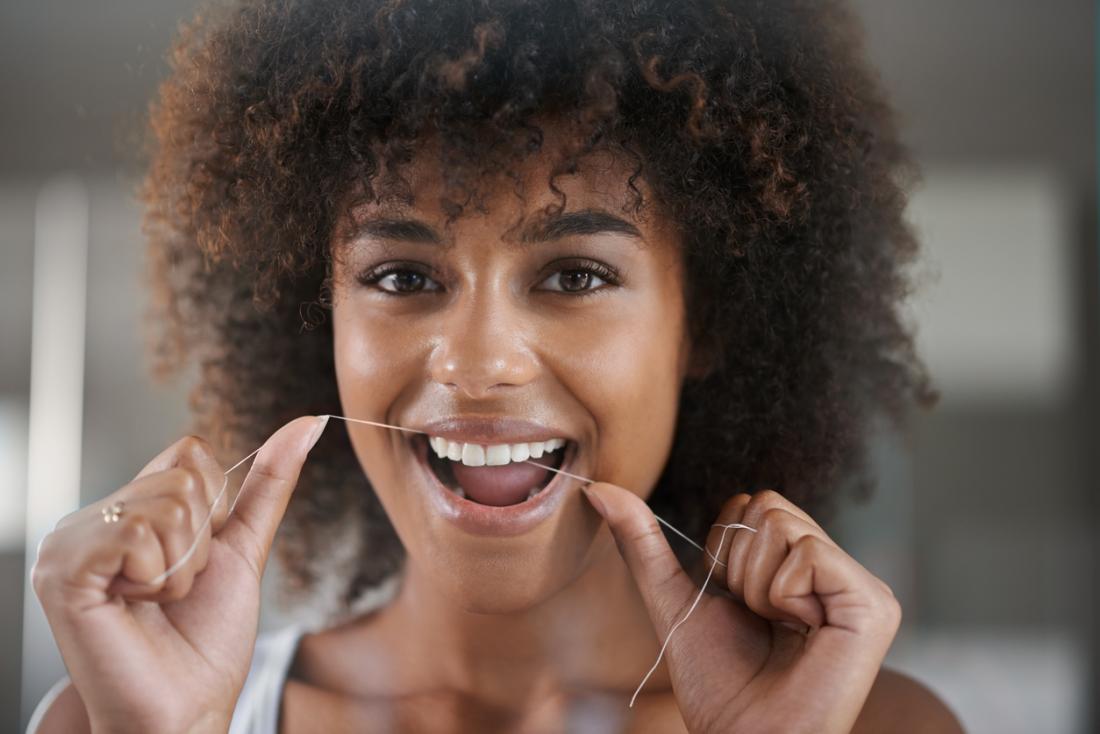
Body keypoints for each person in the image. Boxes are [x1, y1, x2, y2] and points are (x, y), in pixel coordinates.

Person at [29, 0, 966, 731]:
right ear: (320, 316)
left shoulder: (873, 726)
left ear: (704, 323)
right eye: (401, 275)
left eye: (573, 273)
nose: (477, 364)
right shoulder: (116, 720)